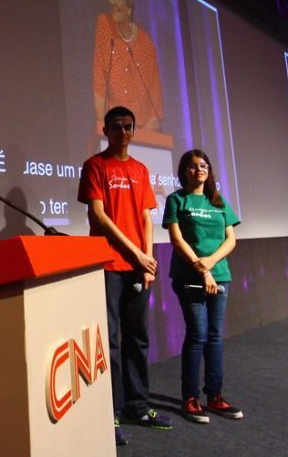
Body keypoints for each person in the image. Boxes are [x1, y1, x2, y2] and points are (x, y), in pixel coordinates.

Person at [78, 106, 173, 446]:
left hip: (137, 265)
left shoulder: (140, 169)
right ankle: (112, 412)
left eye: (128, 126)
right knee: (113, 341)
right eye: (116, 126)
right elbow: (99, 217)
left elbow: (147, 218)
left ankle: (138, 406)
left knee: (139, 338)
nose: (123, 131)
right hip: (108, 266)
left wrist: (146, 258)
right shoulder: (95, 166)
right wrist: (136, 254)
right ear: (105, 129)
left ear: (133, 131)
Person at [163, 149, 242, 424]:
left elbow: (231, 240)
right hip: (189, 277)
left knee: (215, 335)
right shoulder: (176, 200)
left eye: (204, 165)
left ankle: (215, 396)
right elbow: (176, 239)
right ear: (185, 170)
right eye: (194, 166)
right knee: (197, 335)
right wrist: (201, 268)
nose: (200, 169)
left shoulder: (219, 202)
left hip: (220, 275)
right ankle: (190, 397)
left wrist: (211, 263)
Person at [93, 0, 164, 137]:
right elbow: (99, 84)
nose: (111, 1)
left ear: (130, 3)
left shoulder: (146, 43)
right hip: (113, 131)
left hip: (143, 134)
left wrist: (141, 137)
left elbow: (156, 106)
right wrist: (107, 130)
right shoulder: (104, 25)